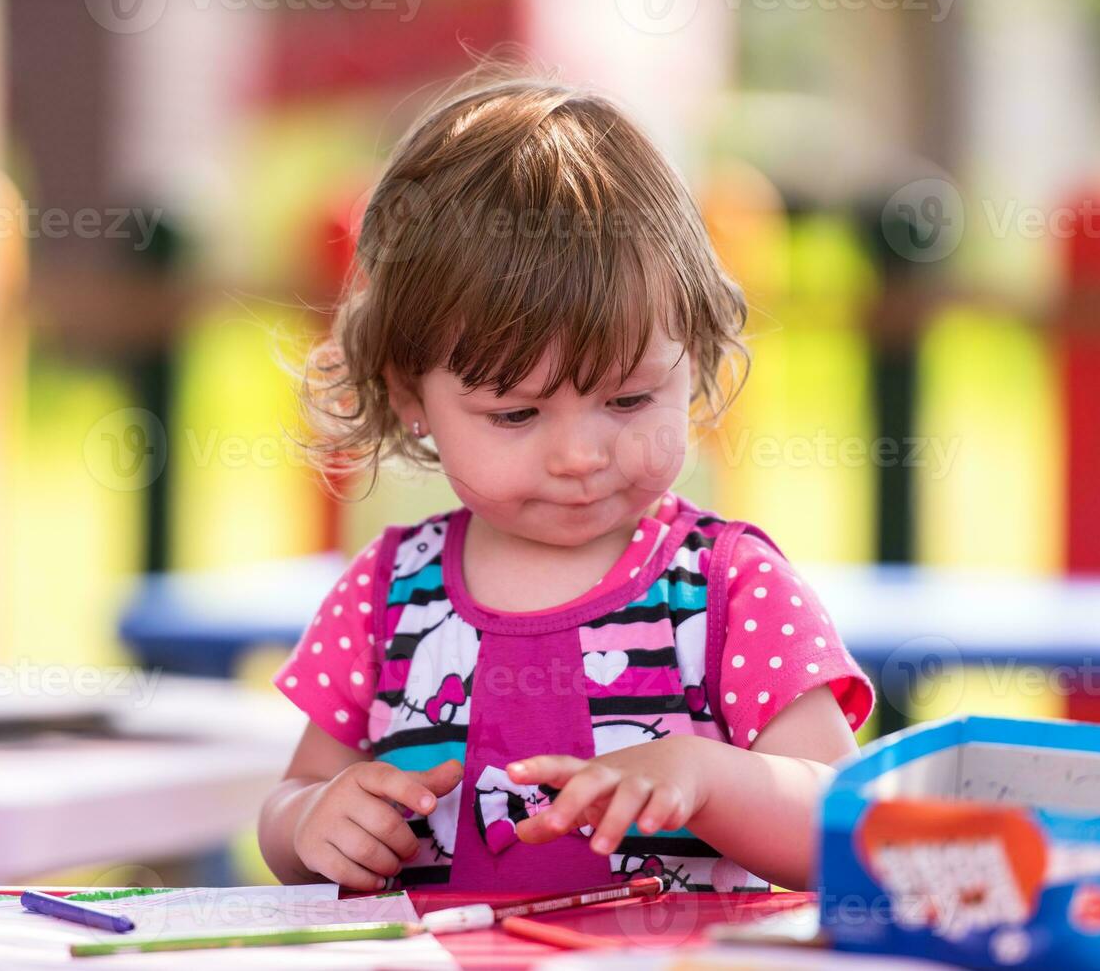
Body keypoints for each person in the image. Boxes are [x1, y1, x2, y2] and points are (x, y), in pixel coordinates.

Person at [257, 69, 874, 894]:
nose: (580, 455)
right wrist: (311, 823)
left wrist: (709, 776)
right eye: (516, 415)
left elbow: (848, 825)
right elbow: (291, 802)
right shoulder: (383, 596)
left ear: (689, 355)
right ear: (410, 395)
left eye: (628, 398)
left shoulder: (728, 592)